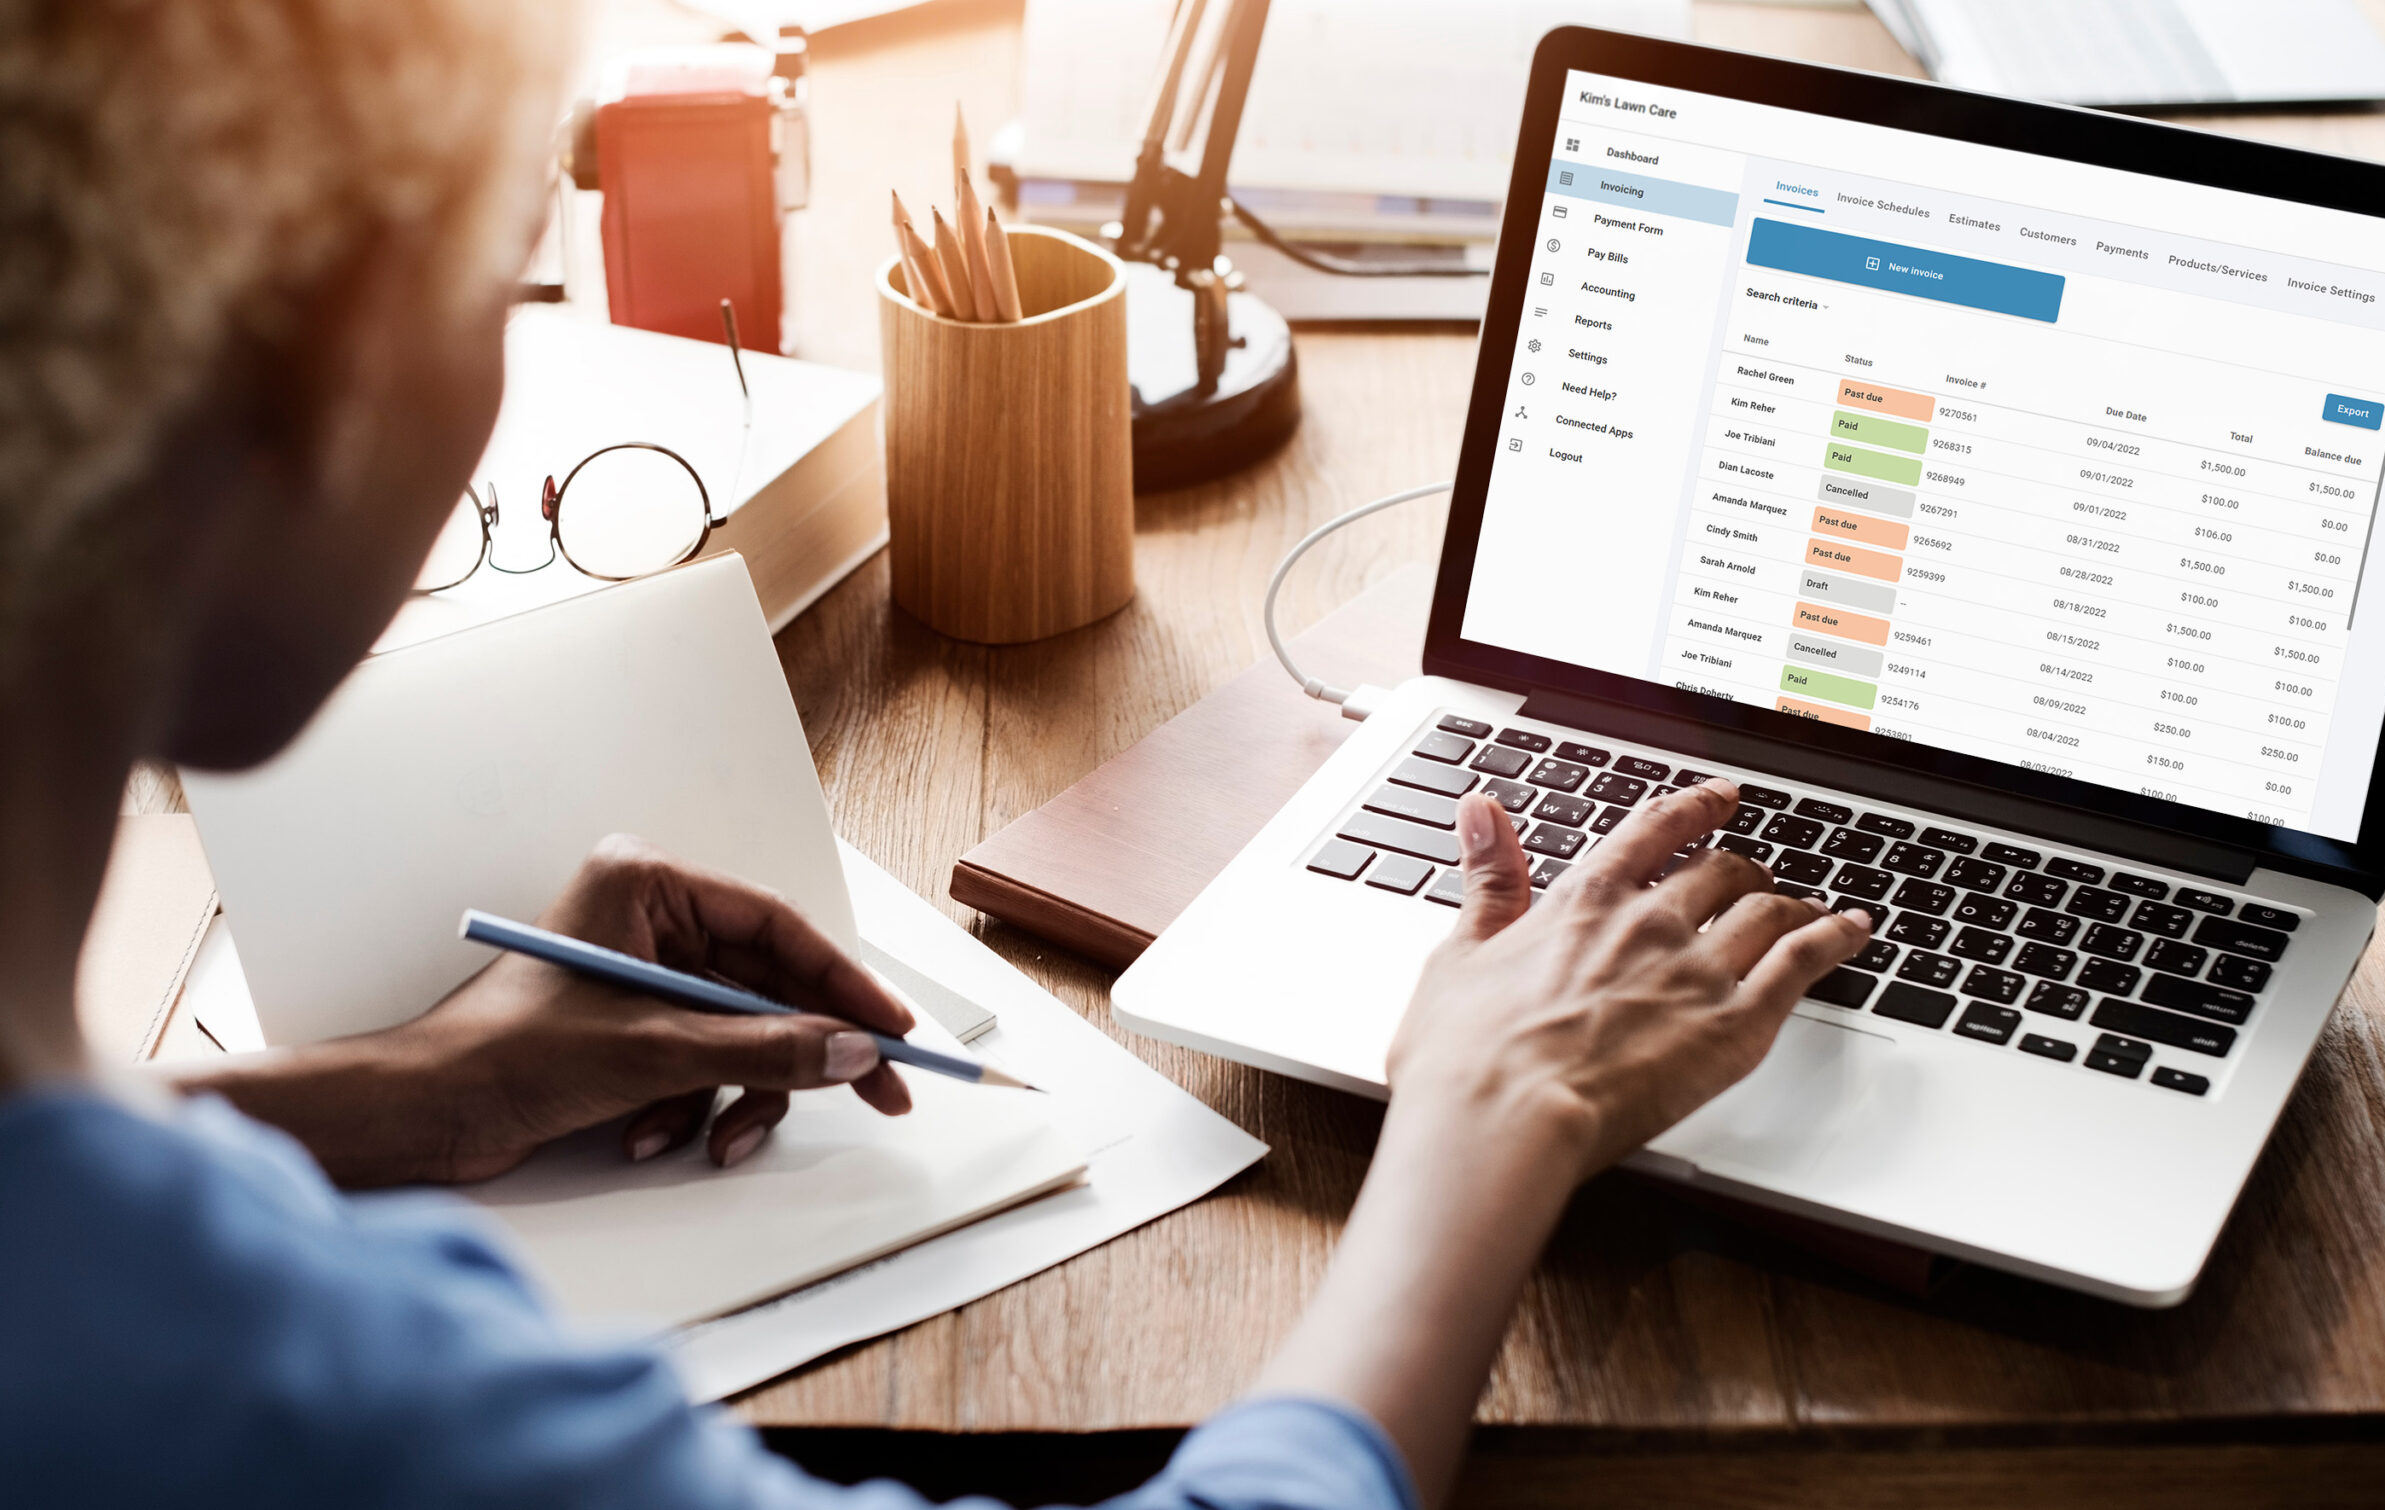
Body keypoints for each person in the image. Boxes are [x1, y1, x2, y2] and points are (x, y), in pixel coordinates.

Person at [0, 3, 1872, 1506]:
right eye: (504, 282)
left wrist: (405, 1089)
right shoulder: (329, 1399)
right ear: (312, 381)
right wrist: (1488, 1116)